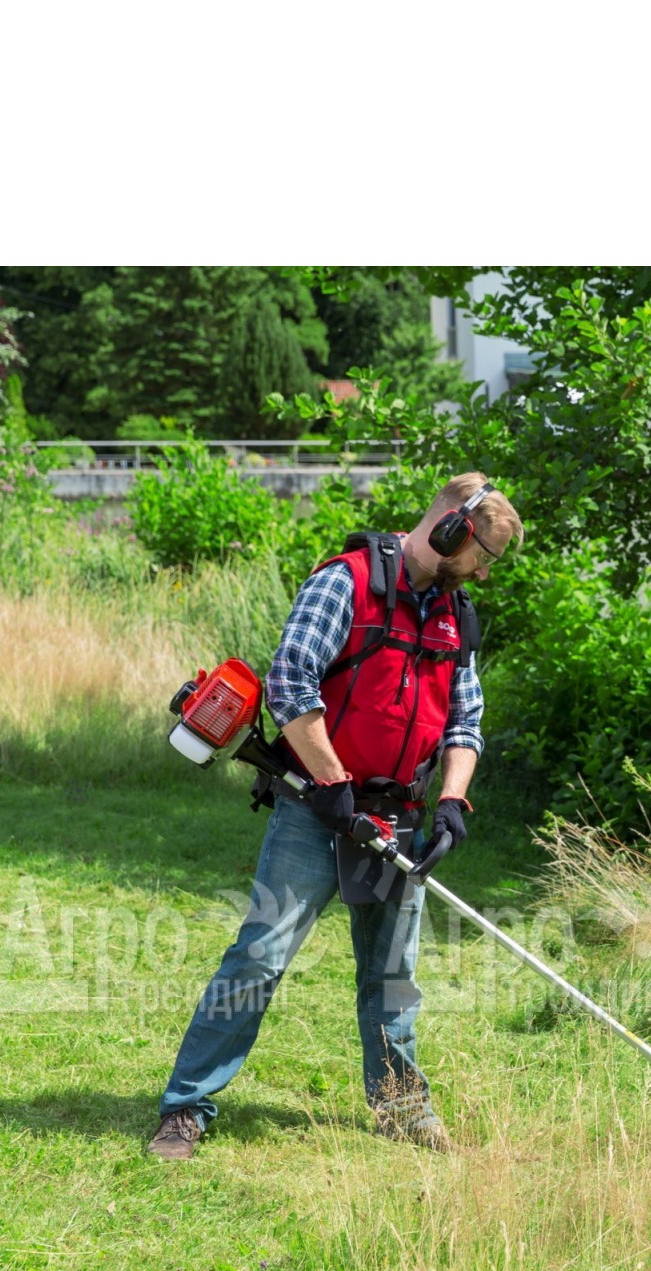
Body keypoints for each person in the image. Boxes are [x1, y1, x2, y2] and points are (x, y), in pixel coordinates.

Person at [147, 473, 523, 1160]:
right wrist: (330, 781)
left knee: (392, 974)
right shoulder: (347, 583)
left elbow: (465, 720)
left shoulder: (456, 615)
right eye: (485, 555)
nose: (484, 573)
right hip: (315, 811)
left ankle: (401, 1108)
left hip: (398, 817)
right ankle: (186, 1107)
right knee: (258, 959)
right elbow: (290, 679)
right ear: (452, 529)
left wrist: (450, 801)